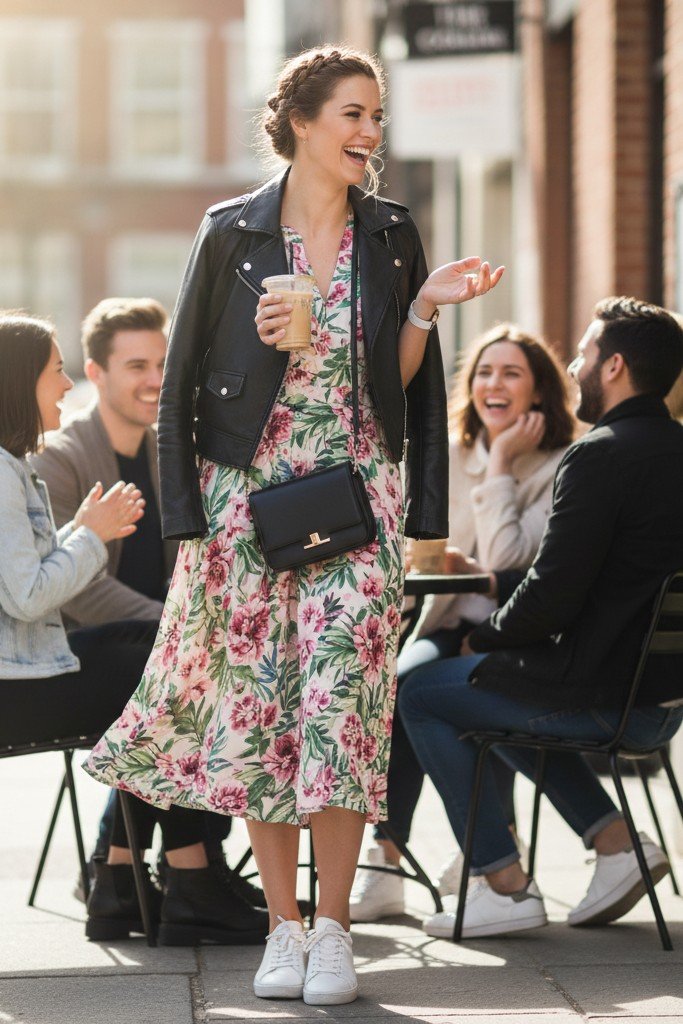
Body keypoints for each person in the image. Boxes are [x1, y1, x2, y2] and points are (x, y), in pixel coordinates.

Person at [83, 45, 503, 1004]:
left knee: (344, 709)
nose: (369, 133)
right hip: (244, 502)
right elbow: (184, 380)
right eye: (352, 114)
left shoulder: (394, 234)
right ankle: (282, 928)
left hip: (358, 496)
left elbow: (390, 392)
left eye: (376, 116)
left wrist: (425, 312)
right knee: (262, 713)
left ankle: (336, 932)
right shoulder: (232, 232)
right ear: (304, 122)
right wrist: (186, 522)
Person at [399, 296, 683, 939]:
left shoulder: (599, 455)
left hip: (599, 696)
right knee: (495, 689)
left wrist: (482, 636)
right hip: (663, 699)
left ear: (613, 367)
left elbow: (553, 594)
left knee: (422, 694)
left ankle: (501, 881)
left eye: (584, 353)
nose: (577, 365)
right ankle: (614, 842)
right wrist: (501, 596)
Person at [0, 312, 269, 946]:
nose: (64, 384)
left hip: (31, 669)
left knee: (162, 661)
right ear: (19, 382)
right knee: (167, 668)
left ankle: (126, 879)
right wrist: (91, 536)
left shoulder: (16, 465)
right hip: (15, 688)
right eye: (54, 370)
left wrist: (81, 534)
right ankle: (186, 876)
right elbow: (30, 595)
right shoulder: (7, 471)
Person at [350, 323, 575, 922]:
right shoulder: (445, 453)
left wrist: (500, 460)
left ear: (539, 392)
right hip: (441, 622)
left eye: (511, 373)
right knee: (395, 686)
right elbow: (406, 546)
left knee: (446, 693)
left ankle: (487, 851)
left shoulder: (561, 465)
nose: (493, 385)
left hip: (520, 635)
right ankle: (385, 862)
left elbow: (505, 562)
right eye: (483, 372)